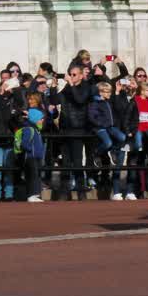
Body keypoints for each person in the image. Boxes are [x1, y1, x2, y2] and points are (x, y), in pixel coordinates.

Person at [56, 64, 92, 201]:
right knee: (65, 162)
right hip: (65, 128)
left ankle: (81, 191)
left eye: (74, 74)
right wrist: (53, 87)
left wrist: (70, 84)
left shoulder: (85, 88)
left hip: (78, 129)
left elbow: (80, 100)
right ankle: (64, 191)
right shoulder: (67, 88)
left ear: (81, 76)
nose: (71, 77)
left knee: (77, 162)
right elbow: (55, 100)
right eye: (70, 74)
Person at [15, 93, 47, 203]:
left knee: (37, 175)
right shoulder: (29, 129)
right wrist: (30, 149)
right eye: (40, 119)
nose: (42, 121)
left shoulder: (36, 130)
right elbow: (25, 143)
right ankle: (32, 194)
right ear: (34, 119)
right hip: (31, 156)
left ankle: (36, 193)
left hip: (36, 155)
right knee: (32, 175)